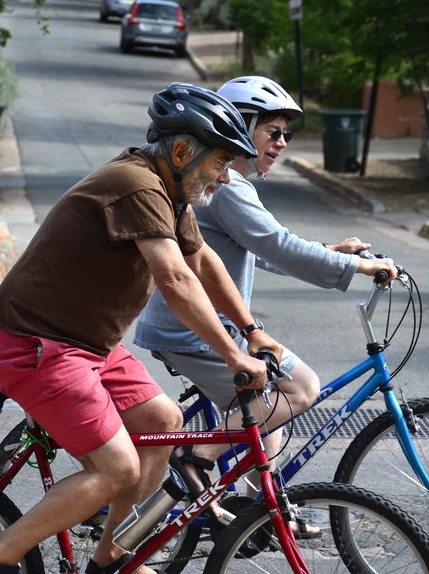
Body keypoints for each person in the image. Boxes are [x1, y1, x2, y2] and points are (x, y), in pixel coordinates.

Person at [0, 83, 285, 574]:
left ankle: (112, 556)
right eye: (221, 161)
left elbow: (200, 261)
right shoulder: (136, 185)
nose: (226, 175)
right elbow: (174, 277)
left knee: (163, 421)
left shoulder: (170, 191)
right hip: (33, 343)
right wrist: (232, 356)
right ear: (183, 153)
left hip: (87, 345)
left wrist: (252, 331)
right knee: (117, 467)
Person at [134, 76, 396, 527]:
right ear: (240, 124)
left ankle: (263, 513)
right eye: (272, 131)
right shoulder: (228, 185)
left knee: (266, 406)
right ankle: (195, 459)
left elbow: (260, 247)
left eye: (286, 135)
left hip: (195, 324)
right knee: (300, 388)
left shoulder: (225, 181)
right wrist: (359, 268)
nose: (281, 143)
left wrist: (331, 254)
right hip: (192, 328)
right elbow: (276, 244)